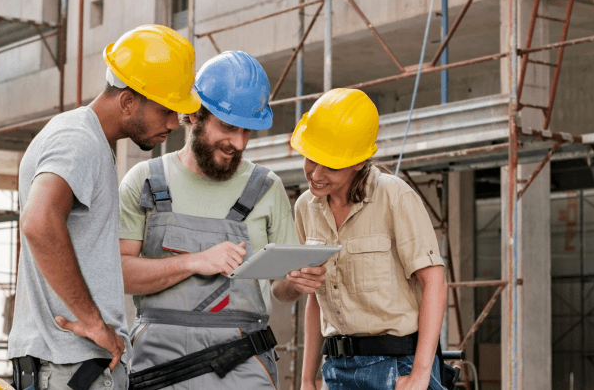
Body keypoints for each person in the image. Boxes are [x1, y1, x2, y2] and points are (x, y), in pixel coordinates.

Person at [118, 51, 326, 390]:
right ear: (195, 115)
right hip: (159, 369)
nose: (238, 143)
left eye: (248, 131)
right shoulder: (145, 180)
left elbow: (281, 290)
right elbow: (120, 274)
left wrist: (298, 282)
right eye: (229, 127)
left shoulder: (267, 188)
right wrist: (195, 262)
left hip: (243, 365)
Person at [8, 25, 200, 390]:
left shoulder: (87, 139)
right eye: (165, 110)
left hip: (68, 365)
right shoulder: (78, 140)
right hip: (71, 365)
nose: (174, 124)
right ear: (128, 101)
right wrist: (94, 322)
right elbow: (38, 222)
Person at [292, 89, 448, 390]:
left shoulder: (395, 197)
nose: (316, 173)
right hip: (336, 370)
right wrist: (307, 379)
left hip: (396, 365)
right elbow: (315, 296)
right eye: (311, 159)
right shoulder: (305, 208)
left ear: (359, 163)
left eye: (331, 165)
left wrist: (419, 375)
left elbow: (435, 283)